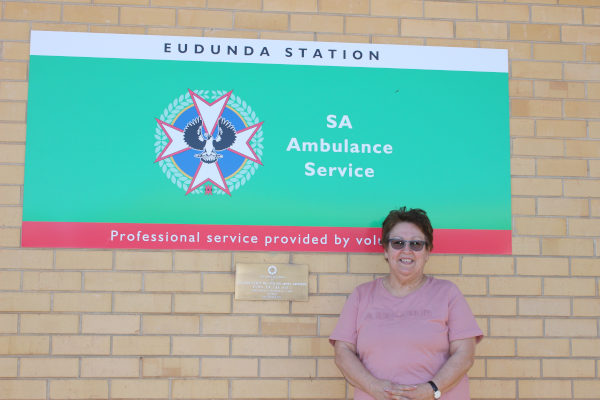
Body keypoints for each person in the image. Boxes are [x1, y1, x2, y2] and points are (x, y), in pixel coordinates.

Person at [330, 207, 482, 400]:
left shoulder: (448, 294)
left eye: (417, 244)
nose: (407, 250)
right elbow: (342, 352)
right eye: (398, 243)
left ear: (427, 252)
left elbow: (465, 353)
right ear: (386, 250)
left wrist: (430, 390)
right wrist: (375, 388)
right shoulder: (361, 296)